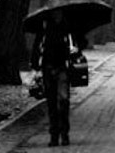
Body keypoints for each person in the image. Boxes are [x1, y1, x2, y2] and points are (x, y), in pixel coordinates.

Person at [31, 10, 84, 147]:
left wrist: (76, 50)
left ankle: (64, 134)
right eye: (55, 14)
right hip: (48, 68)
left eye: (59, 14)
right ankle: (54, 135)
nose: (57, 16)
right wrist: (36, 66)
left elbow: (80, 42)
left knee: (64, 101)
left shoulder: (68, 27)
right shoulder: (44, 27)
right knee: (52, 103)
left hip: (63, 68)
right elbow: (37, 47)